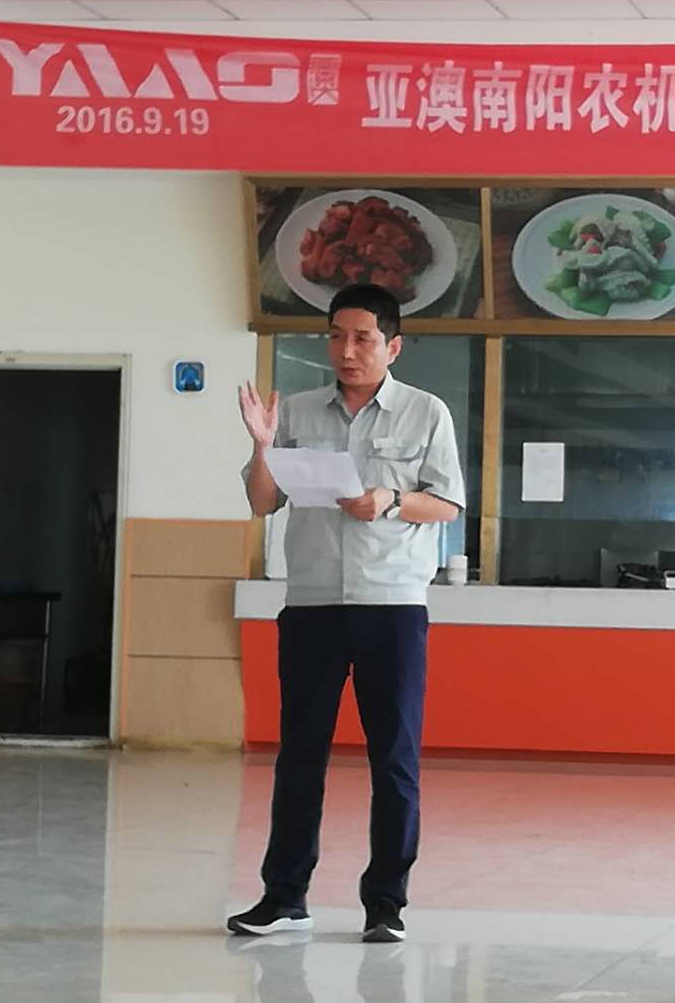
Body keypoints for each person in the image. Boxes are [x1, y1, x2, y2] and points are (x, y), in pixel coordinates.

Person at [227, 283, 464, 944]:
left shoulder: (425, 412)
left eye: (362, 338)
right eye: (336, 336)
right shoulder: (298, 410)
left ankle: (386, 902)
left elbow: (447, 504)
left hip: (392, 605)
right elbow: (262, 503)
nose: (347, 350)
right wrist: (263, 445)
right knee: (299, 755)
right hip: (311, 604)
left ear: (393, 346)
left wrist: (390, 499)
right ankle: (284, 897)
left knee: (394, 758)